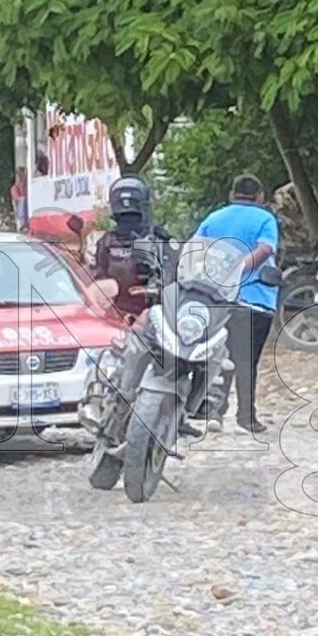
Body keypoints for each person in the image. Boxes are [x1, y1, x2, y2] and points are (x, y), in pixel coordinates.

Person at [195, 174, 279, 438]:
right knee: (247, 360)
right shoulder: (265, 219)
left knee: (218, 355)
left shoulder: (213, 218)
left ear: (232, 194)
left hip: (215, 298)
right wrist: (241, 266)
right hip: (255, 299)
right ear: (260, 196)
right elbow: (266, 249)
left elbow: (194, 249)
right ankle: (246, 417)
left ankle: (214, 412)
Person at [93, 176, 177, 318]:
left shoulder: (106, 241)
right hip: (119, 316)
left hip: (150, 314)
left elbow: (171, 283)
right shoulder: (107, 242)